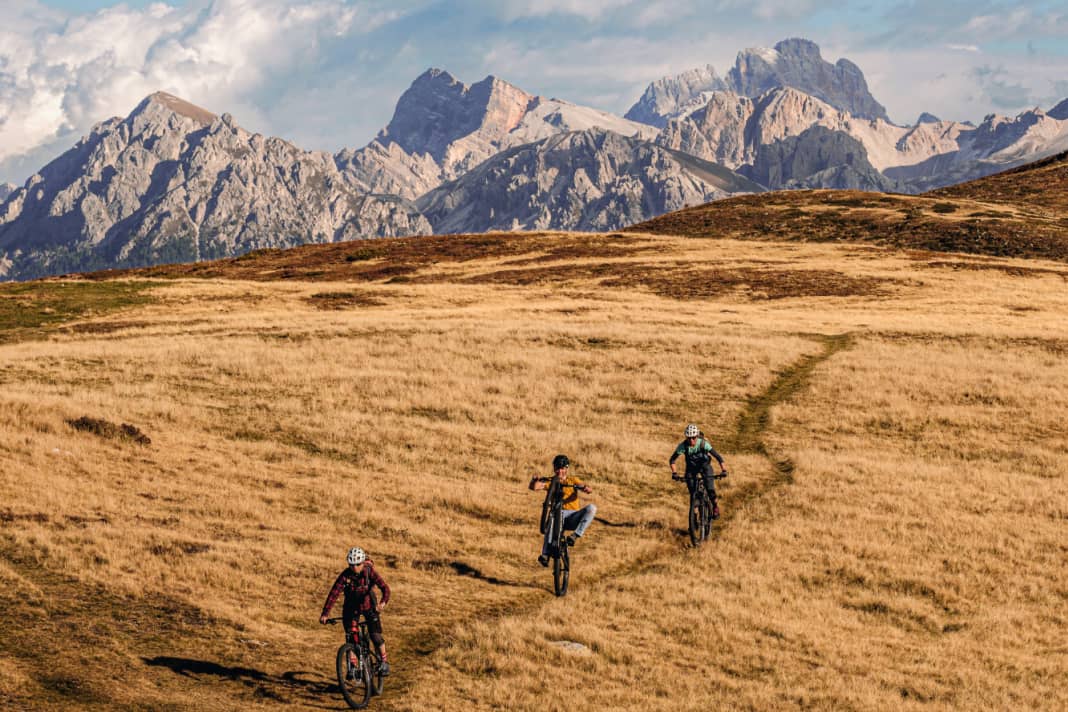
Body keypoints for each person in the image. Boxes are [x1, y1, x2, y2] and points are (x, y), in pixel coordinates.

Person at [319, 546, 392, 676]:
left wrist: (382, 603)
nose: (354, 567)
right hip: (351, 607)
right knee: (350, 636)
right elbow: (333, 594)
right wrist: (325, 613)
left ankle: (384, 662)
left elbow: (385, 588)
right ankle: (352, 666)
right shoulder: (345, 576)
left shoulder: (369, 572)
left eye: (357, 564)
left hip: (370, 605)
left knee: (375, 635)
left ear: (363, 563)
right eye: (351, 564)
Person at [529, 454, 596, 567]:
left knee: (592, 508)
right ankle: (545, 555)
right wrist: (534, 481)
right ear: (554, 469)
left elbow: (586, 488)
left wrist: (584, 488)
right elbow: (535, 487)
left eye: (562, 468)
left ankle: (575, 536)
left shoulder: (572, 480)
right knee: (551, 519)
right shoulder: (551, 481)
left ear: (566, 468)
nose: (560, 471)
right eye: (557, 468)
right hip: (556, 515)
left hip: (572, 516)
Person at [670, 424, 728, 519]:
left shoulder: (703, 444)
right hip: (691, 469)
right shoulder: (683, 446)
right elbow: (672, 460)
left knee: (710, 489)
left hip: (705, 467)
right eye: (689, 438)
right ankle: (694, 517)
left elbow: (718, 457)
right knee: (693, 494)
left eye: (693, 438)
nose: (691, 440)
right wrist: (674, 473)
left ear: (697, 436)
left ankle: (715, 507)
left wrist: (724, 470)